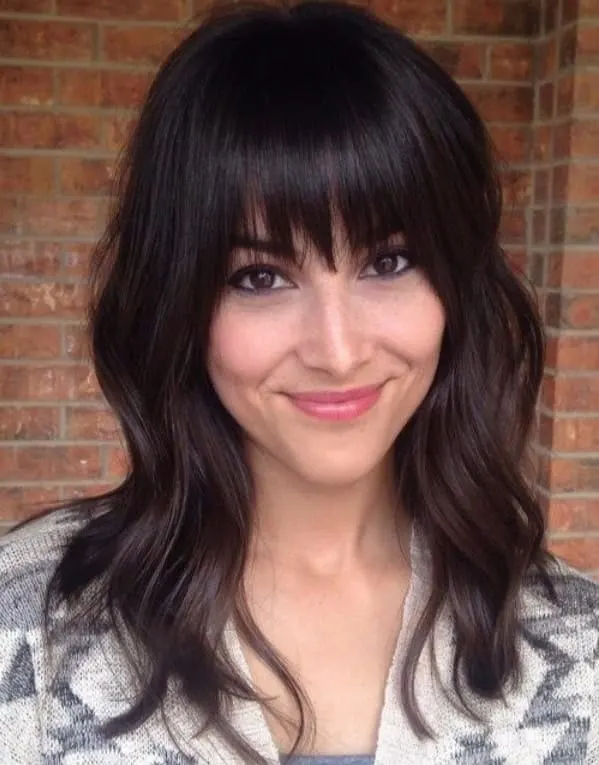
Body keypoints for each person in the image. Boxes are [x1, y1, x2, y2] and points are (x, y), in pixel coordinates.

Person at [0, 1, 598, 763]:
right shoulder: (25, 625)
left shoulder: (578, 648)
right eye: (259, 276)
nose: (338, 349)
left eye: (388, 262)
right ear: (176, 300)